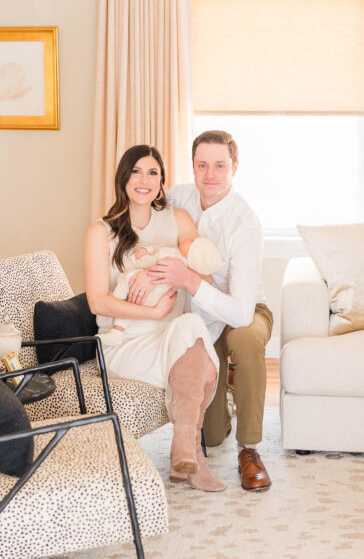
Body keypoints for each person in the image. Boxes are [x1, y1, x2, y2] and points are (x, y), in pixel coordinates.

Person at [84, 144, 226, 492]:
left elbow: (202, 276)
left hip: (170, 335)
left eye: (153, 173)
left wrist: (163, 269)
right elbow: (97, 302)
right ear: (123, 177)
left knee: (190, 327)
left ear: (162, 181)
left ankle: (183, 450)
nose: (144, 181)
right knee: (202, 365)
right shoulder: (100, 232)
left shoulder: (177, 220)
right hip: (126, 343)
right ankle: (191, 454)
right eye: (136, 171)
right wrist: (152, 311)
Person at [138, 130, 274, 492]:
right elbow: (142, 208)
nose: (210, 174)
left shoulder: (245, 223)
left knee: (244, 341)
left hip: (245, 311)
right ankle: (226, 397)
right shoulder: (180, 197)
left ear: (234, 167)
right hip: (201, 318)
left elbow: (242, 313)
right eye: (202, 165)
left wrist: (189, 278)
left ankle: (250, 450)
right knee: (211, 438)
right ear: (193, 166)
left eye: (219, 166)